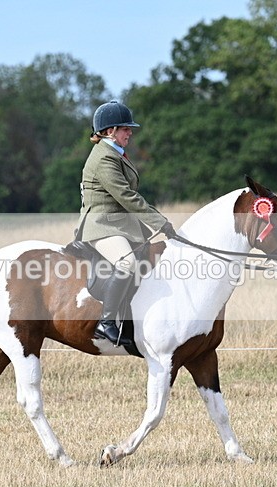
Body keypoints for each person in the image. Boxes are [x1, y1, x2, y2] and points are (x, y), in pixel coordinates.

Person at [74, 101, 175, 346]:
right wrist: (160, 223)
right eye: (125, 129)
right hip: (102, 225)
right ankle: (106, 322)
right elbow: (127, 197)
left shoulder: (114, 153)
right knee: (127, 262)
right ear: (110, 131)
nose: (130, 132)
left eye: (130, 129)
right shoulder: (104, 158)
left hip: (120, 223)